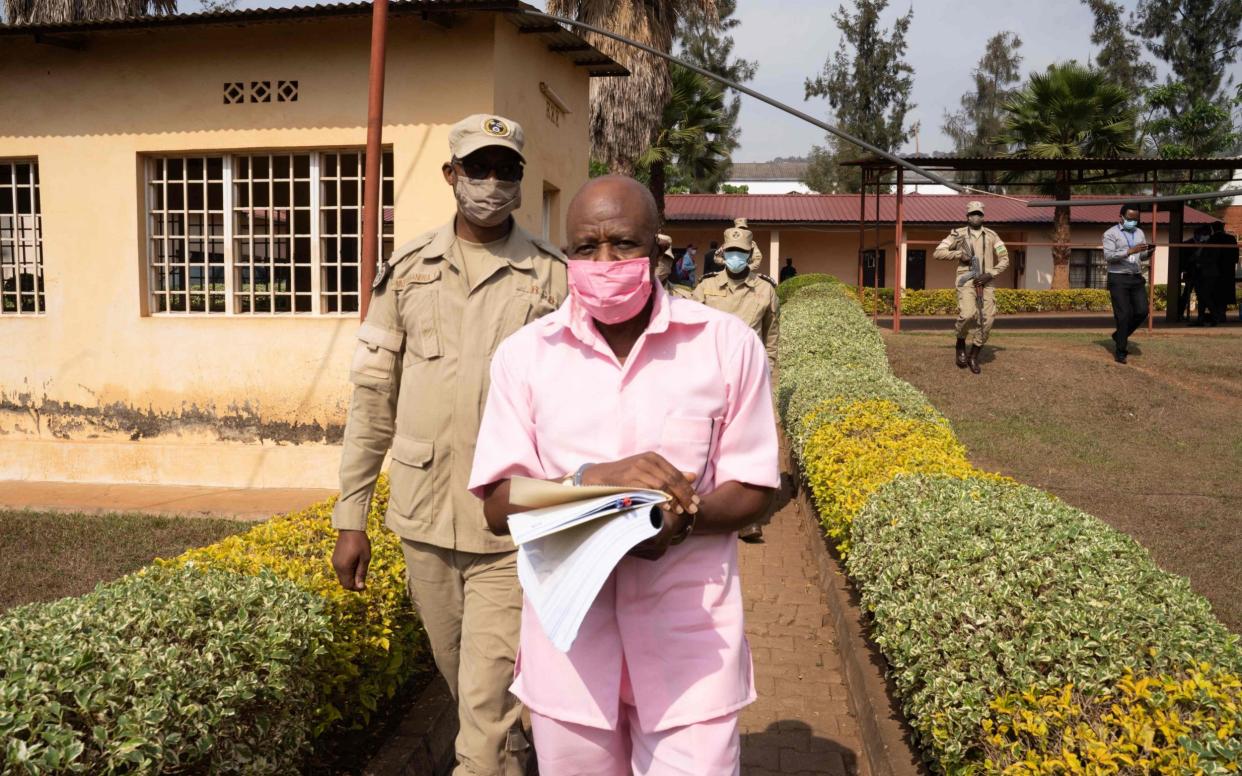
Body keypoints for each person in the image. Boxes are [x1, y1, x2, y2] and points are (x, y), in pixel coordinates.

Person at [469, 175, 779, 775]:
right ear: (566, 255)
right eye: (586, 247)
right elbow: (498, 505)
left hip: (692, 648)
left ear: (659, 251)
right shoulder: (525, 356)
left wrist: (679, 520)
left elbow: (756, 488)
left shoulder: (725, 345)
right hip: (570, 653)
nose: (604, 261)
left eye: (623, 244)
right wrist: (591, 481)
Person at [330, 114, 567, 776]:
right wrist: (351, 518)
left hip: (510, 527)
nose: (492, 182)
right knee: (469, 691)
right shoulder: (404, 273)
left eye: (507, 170)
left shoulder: (554, 279)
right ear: (450, 175)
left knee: (484, 714)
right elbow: (373, 402)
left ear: (520, 182)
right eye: (478, 167)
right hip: (424, 521)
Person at [693, 223, 780, 545]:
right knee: (708, 442)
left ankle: (749, 519)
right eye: (731, 252)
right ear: (722, 255)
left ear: (751, 255)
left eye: (741, 253)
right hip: (711, 372)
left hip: (749, 375)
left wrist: (768, 374)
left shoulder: (765, 290)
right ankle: (706, 507)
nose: (736, 258)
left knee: (747, 445)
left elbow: (772, 337)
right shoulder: (705, 288)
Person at [932, 200, 1010, 374]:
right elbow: (938, 252)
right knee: (967, 315)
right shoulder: (957, 234)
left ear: (983, 216)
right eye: (973, 213)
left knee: (987, 320)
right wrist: (959, 254)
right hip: (966, 281)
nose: (976, 216)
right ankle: (960, 343)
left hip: (986, 281)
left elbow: (1005, 259)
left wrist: (990, 274)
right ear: (967, 216)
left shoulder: (992, 235)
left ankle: (973, 355)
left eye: (979, 214)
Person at [1101, 205, 1155, 363]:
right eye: (1130, 219)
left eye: (1136, 219)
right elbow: (1108, 256)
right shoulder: (1110, 233)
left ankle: (1119, 335)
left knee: (1142, 311)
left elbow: (1141, 257)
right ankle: (1121, 350)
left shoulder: (1139, 233)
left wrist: (1148, 252)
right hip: (1118, 278)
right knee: (1123, 314)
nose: (1133, 222)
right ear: (1121, 217)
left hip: (1136, 277)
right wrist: (1129, 251)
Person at [1207, 220, 1239, 322]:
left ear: (1213, 228)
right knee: (1225, 292)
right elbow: (1235, 257)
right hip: (1228, 270)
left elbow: (1208, 257)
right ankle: (1222, 313)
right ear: (1222, 228)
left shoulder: (1211, 239)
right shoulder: (1231, 239)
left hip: (1214, 271)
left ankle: (1217, 314)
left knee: (1215, 293)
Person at [1189, 224, 1219, 327]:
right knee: (1201, 297)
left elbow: (1212, 259)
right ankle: (1200, 319)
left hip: (1209, 274)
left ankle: (1215, 316)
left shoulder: (1213, 244)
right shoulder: (1199, 245)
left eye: (1201, 234)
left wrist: (1199, 261)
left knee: (1205, 295)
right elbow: (1193, 257)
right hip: (1199, 274)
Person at [655, 233, 694, 299]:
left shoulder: (684, 297)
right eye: (652, 257)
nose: (657, 262)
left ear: (670, 262)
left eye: (664, 258)